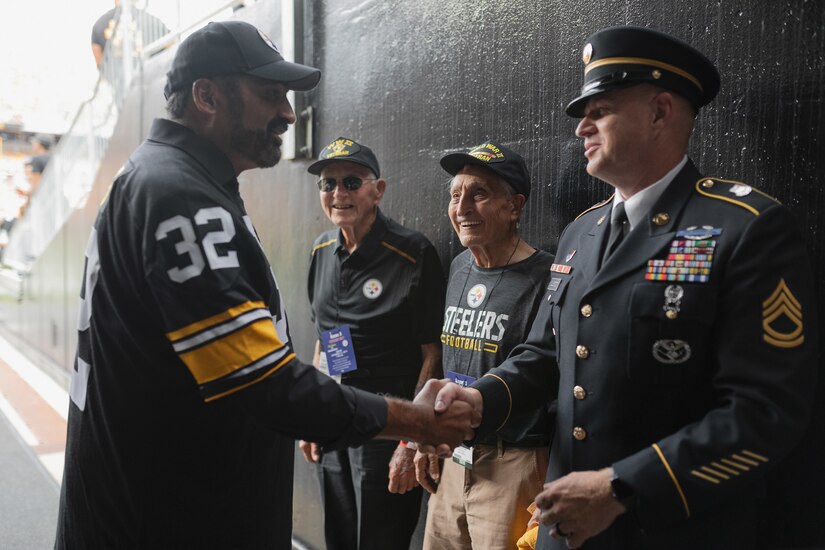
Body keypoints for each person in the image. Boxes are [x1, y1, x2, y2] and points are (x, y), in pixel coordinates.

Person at [55, 21, 475, 549]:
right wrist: (417, 422)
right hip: (168, 521)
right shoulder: (181, 197)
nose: (287, 113)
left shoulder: (171, 180)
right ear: (206, 96)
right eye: (269, 94)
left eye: (351, 182)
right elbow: (265, 384)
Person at [423, 26, 819, 549]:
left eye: (600, 108)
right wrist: (478, 400)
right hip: (566, 532)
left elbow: (766, 413)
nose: (582, 124)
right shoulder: (579, 233)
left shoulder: (745, 227)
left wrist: (623, 487)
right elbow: (544, 355)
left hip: (674, 530)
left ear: (659, 112)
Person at [299, 137, 445, 549]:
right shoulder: (321, 249)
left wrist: (410, 438)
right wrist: (312, 414)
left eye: (351, 181)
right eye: (328, 184)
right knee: (340, 538)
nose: (338, 193)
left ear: (377, 189)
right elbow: (324, 340)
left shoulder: (412, 253)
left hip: (386, 427)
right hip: (333, 419)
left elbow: (432, 356)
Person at [413, 141, 554, 549]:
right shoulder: (459, 267)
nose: (463, 207)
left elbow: (543, 368)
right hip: (453, 458)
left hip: (513, 463)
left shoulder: (548, 276)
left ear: (514, 206)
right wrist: (426, 437)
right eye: (455, 195)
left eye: (480, 193)